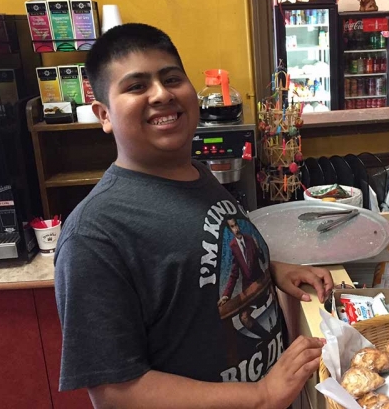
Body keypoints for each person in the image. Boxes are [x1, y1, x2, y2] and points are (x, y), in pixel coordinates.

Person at [54, 23, 334, 409]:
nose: (162, 94)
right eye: (136, 86)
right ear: (104, 114)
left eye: (171, 78)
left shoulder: (197, 174)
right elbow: (115, 392)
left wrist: (270, 270)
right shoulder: (95, 234)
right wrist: (261, 395)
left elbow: (199, 266)